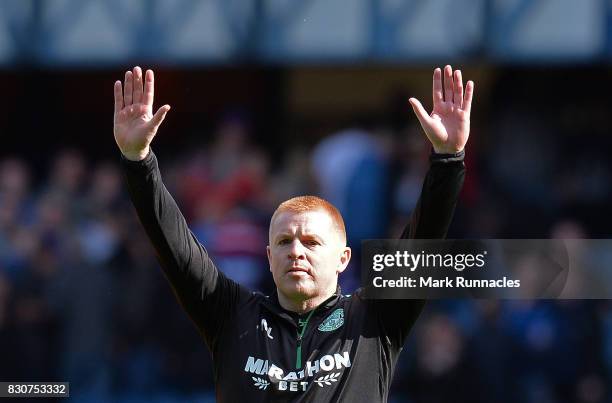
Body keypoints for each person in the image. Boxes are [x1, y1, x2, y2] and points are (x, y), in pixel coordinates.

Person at [114, 65, 473, 402]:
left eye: (312, 242)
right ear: (269, 258)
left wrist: (447, 158)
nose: (296, 251)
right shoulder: (232, 315)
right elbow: (174, 246)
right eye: (284, 242)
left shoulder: (375, 318)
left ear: (343, 259)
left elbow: (424, 237)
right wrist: (138, 161)